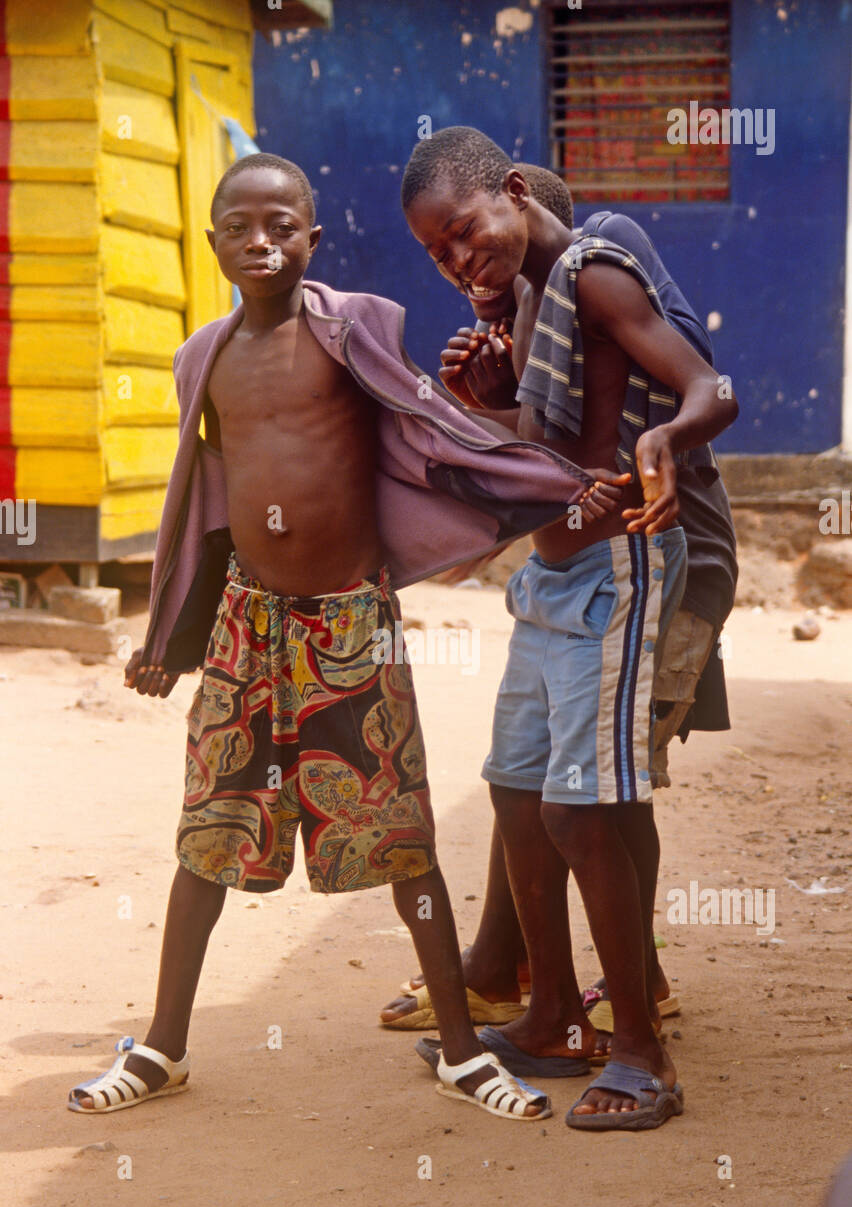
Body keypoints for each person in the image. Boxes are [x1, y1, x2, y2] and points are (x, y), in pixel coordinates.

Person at [67, 152, 623, 1124]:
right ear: (213, 243)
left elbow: (433, 427)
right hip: (249, 622)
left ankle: (458, 1050)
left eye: (283, 225)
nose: (263, 241)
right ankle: (162, 1044)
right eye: (241, 227)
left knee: (402, 834)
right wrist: (170, 633)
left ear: (312, 240)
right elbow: (199, 504)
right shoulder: (202, 355)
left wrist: (535, 461)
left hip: (350, 621)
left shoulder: (354, 327)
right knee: (210, 828)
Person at [396, 127, 739, 1129]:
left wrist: (667, 439)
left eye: (462, 232)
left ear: (510, 191)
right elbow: (547, 454)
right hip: (549, 578)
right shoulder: (531, 303)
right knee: (514, 790)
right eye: (439, 255)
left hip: (616, 576)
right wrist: (492, 403)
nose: (461, 261)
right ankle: (549, 1016)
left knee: (583, 808)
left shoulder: (593, 272)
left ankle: (642, 1051)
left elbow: (708, 387)